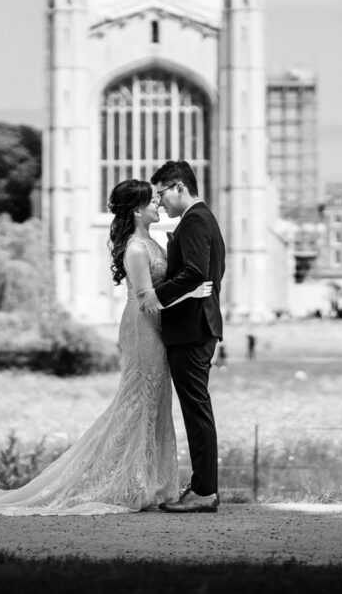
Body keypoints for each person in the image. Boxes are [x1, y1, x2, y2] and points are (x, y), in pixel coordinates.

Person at [0, 179, 211, 516]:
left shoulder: (153, 241)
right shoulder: (135, 248)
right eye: (152, 201)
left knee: (156, 401)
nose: (158, 203)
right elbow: (146, 300)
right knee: (137, 401)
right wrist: (191, 293)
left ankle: (149, 481)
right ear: (137, 210)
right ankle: (125, 481)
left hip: (156, 329)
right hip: (142, 329)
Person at [140, 159, 225, 513]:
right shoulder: (204, 219)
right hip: (197, 325)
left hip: (190, 329)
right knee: (196, 408)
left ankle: (205, 490)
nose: (160, 201)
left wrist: (154, 298)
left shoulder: (193, 221)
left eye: (161, 193)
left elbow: (192, 273)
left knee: (195, 410)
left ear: (178, 187)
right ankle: (204, 486)